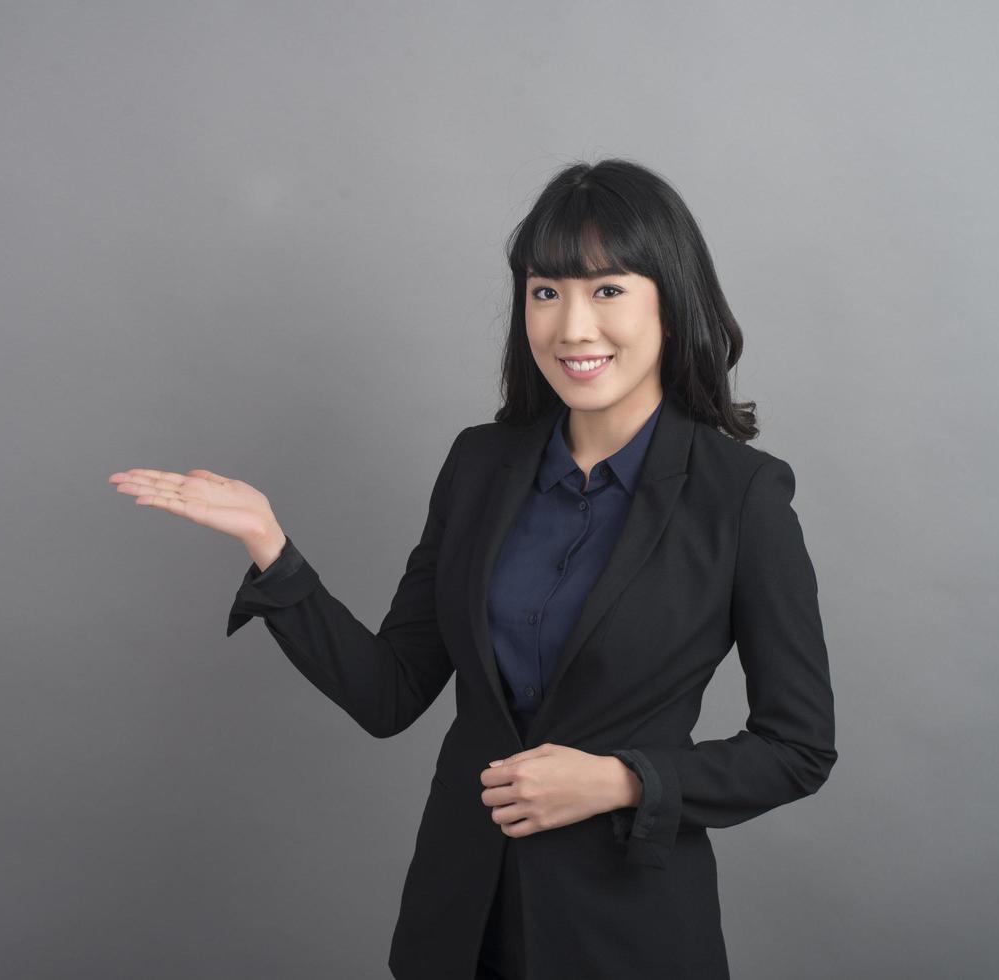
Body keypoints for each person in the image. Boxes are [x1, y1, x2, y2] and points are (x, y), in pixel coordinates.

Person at [110, 158, 837, 980]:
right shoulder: (480, 466)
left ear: (670, 300)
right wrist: (271, 547)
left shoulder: (740, 496)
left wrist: (622, 781)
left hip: (624, 937)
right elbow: (389, 692)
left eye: (607, 291)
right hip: (459, 928)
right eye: (545, 291)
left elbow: (797, 747)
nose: (571, 327)